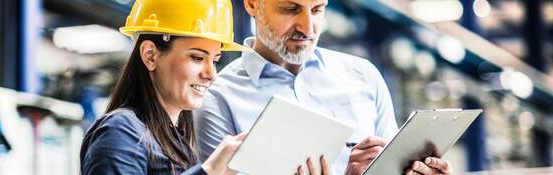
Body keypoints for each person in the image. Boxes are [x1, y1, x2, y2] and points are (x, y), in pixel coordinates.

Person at [193, 0, 452, 174]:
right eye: (291, 9)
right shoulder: (217, 99)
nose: (307, 27)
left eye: (317, 10)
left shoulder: (364, 77)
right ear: (251, 3)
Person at [79, 0, 252, 174]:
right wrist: (209, 170)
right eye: (197, 58)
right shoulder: (120, 133)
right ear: (150, 55)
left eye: (215, 61)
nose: (211, 74)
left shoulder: (179, 146)